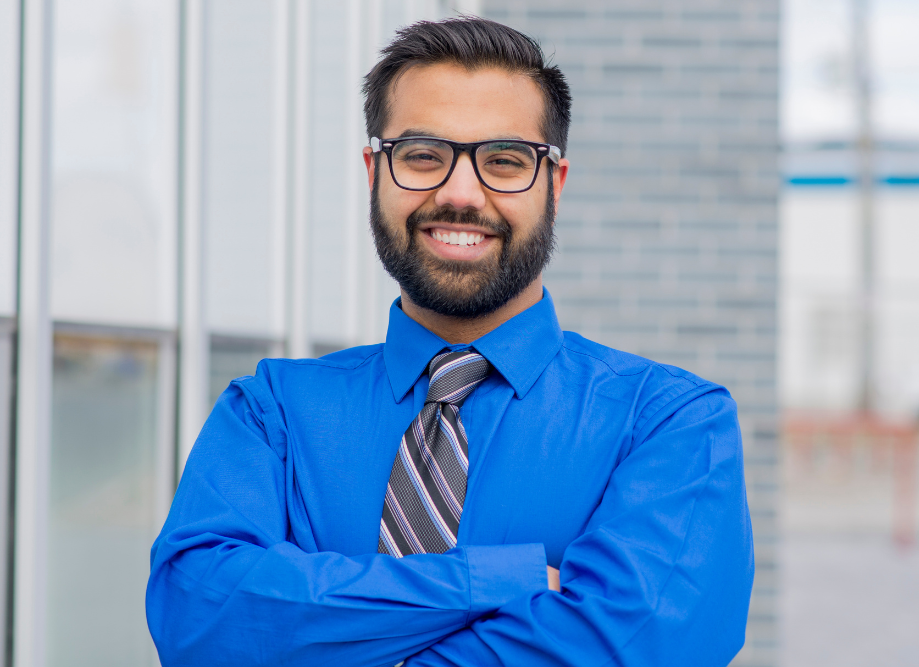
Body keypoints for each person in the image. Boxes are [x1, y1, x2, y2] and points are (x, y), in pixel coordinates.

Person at [146, 17, 753, 667]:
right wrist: (501, 580)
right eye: (423, 155)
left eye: (504, 161)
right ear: (375, 171)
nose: (461, 193)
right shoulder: (271, 413)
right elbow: (199, 618)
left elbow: (647, 644)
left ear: (556, 184)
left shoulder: (671, 423)